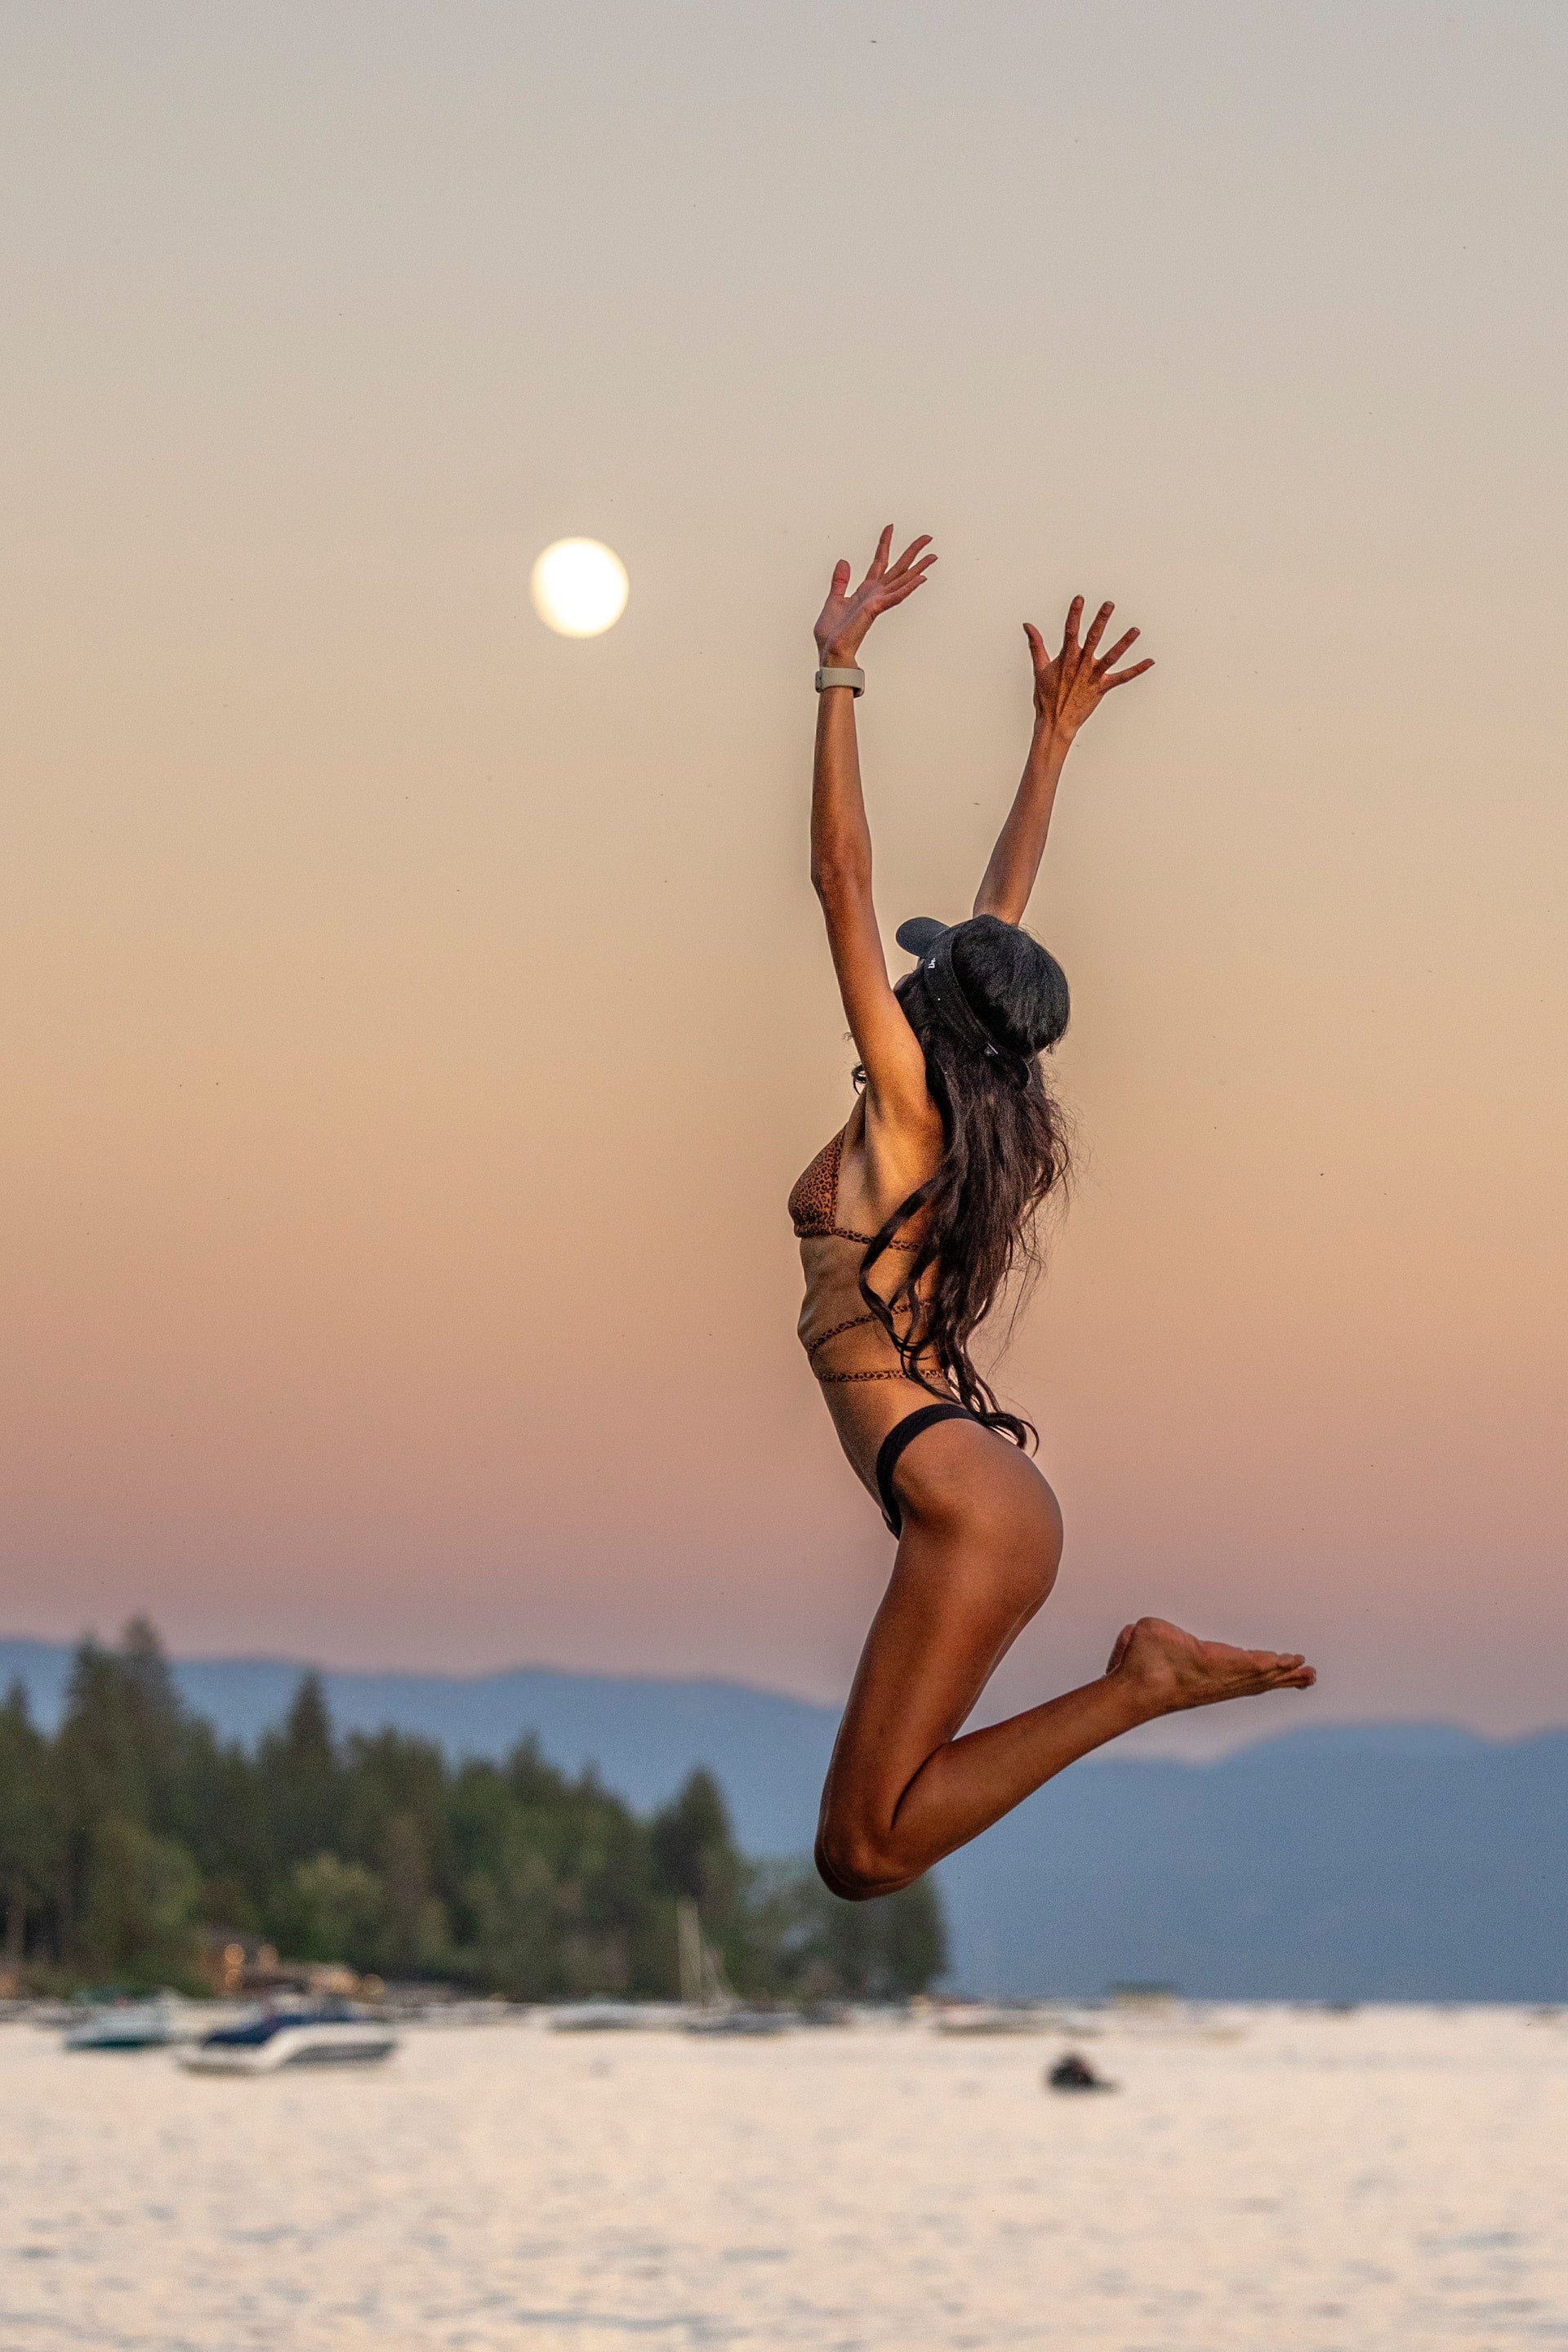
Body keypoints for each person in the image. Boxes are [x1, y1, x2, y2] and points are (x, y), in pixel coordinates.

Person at [795, 528, 1316, 1902]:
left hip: (968, 1499)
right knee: (863, 1852)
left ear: (930, 1017)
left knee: (862, 1852)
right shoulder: (975, 1104)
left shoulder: (910, 1105)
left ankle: (1139, 1687)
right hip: (973, 1492)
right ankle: (1137, 1686)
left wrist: (840, 670)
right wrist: (1053, 742)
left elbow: (841, 884)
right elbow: (998, 917)